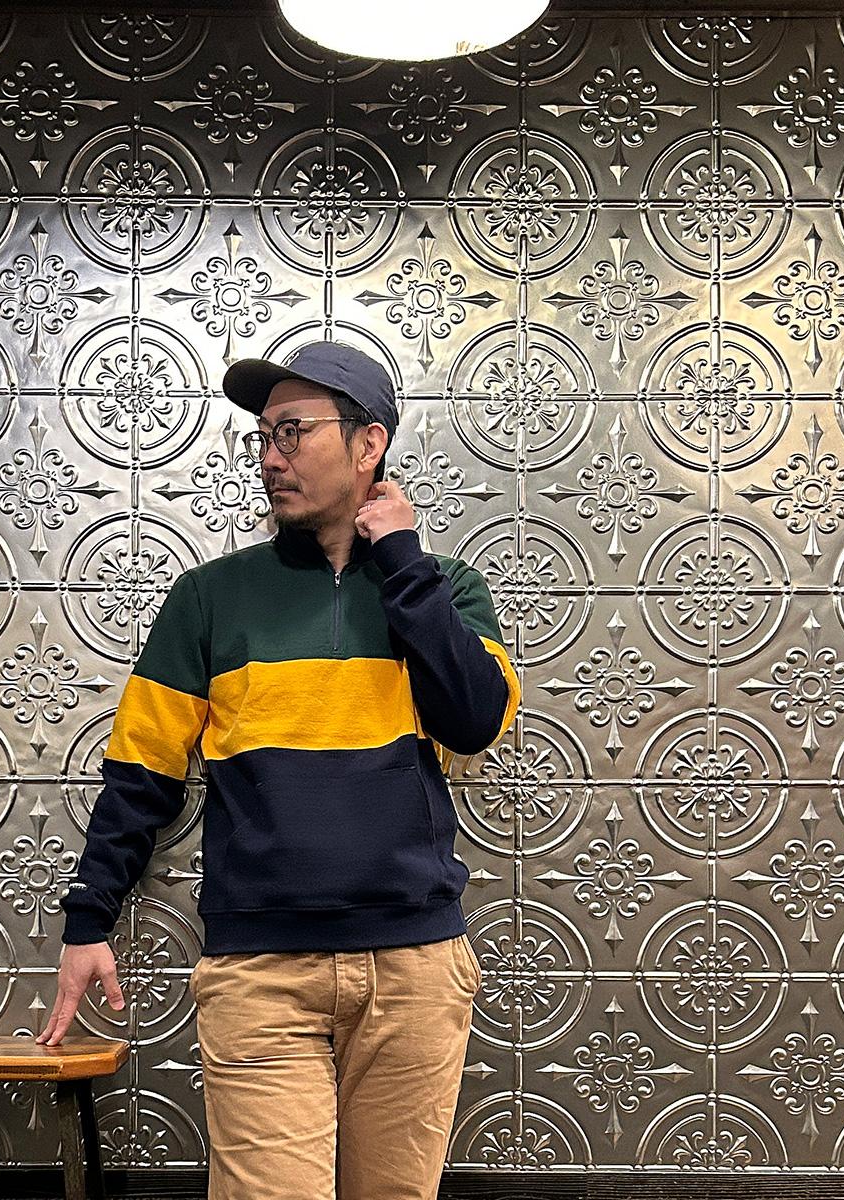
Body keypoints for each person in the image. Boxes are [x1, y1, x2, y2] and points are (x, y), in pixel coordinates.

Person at [37, 341, 521, 1199]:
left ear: (369, 443)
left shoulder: (445, 590)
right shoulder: (208, 598)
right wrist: (87, 921)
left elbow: (474, 719)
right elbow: (141, 773)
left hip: (413, 966)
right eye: (263, 436)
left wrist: (403, 563)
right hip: (262, 973)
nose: (269, 457)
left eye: (293, 432)